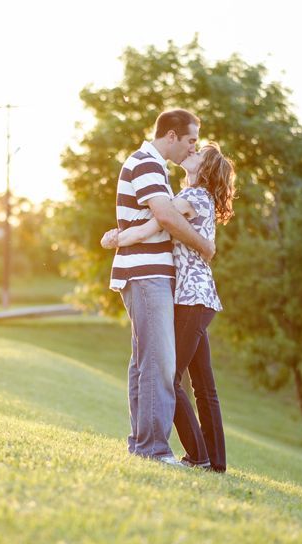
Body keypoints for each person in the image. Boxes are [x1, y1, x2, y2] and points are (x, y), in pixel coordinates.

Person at [103, 142, 235, 472]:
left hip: (191, 298)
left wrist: (118, 238)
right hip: (201, 297)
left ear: (203, 169)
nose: (190, 154)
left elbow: (155, 224)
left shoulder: (190, 198)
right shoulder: (197, 197)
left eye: (197, 154)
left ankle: (198, 456)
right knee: (203, 384)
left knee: (169, 378)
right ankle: (215, 461)